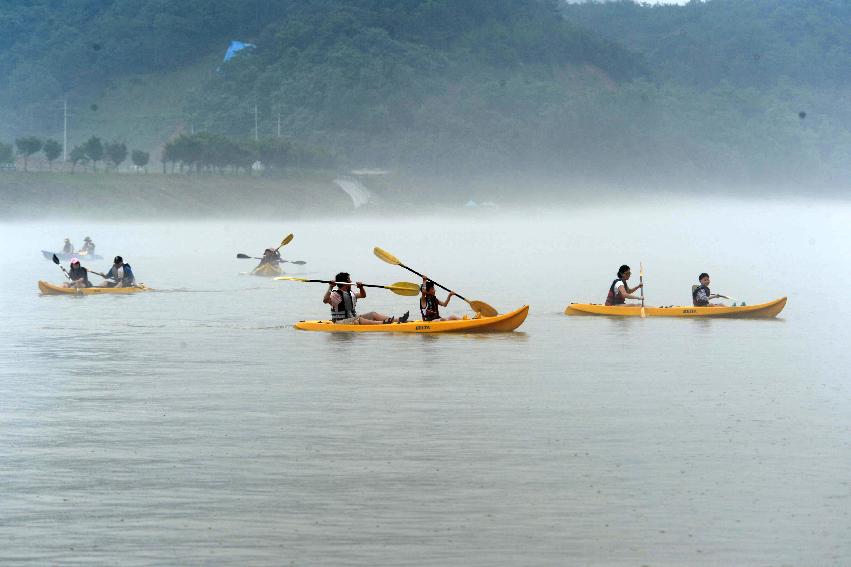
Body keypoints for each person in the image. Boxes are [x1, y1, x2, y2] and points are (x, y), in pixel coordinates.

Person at [323, 272, 409, 325]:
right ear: (345, 283)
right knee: (359, 319)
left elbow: (363, 295)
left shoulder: (350, 293)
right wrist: (330, 287)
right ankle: (383, 323)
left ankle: (399, 320)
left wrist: (361, 288)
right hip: (340, 322)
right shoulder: (335, 294)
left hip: (352, 318)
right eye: (349, 280)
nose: (351, 281)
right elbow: (325, 300)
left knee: (373, 314)